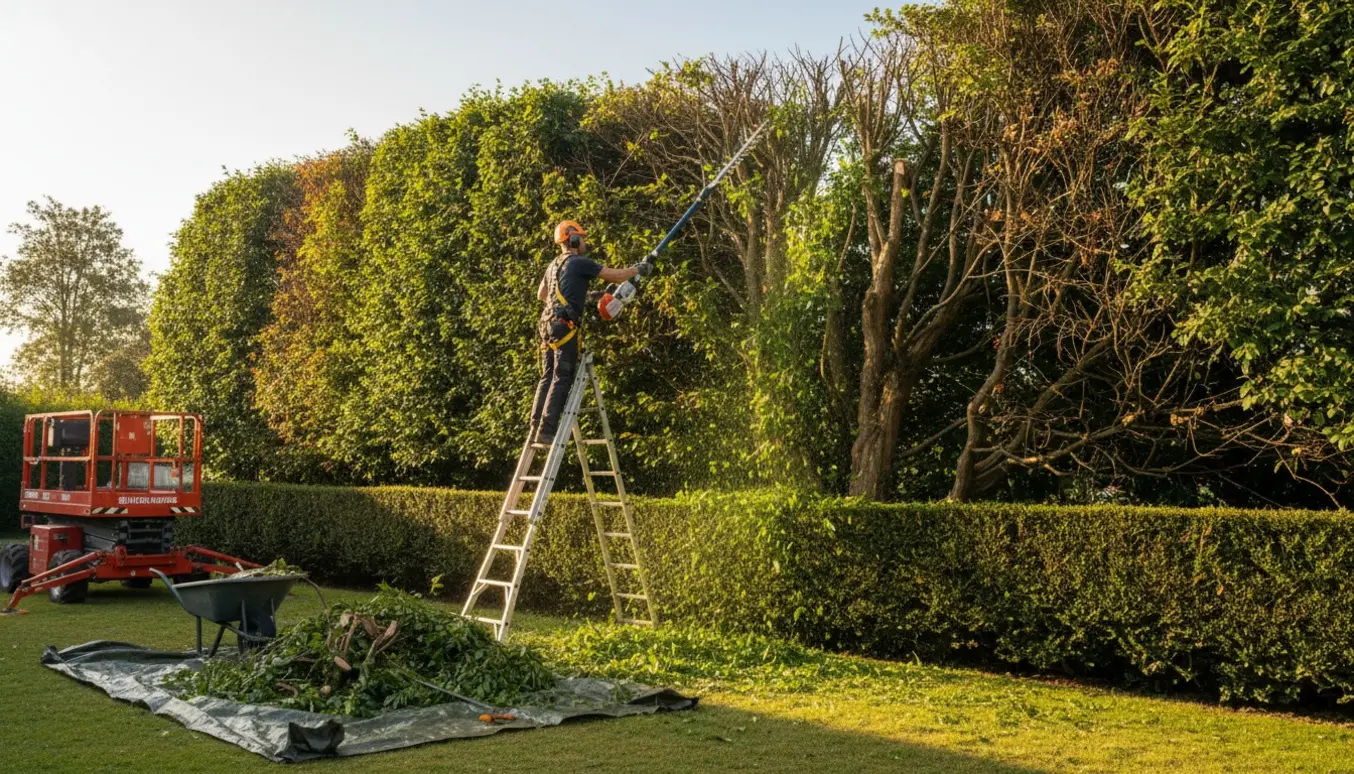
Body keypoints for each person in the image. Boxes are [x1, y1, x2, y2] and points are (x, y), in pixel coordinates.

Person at [530, 220, 651, 445]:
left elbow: (542, 295)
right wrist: (638, 269)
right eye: (582, 238)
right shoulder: (579, 262)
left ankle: (536, 424)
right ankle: (547, 432)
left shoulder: (554, 264)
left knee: (547, 376)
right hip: (564, 326)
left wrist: (583, 297)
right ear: (573, 240)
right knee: (561, 377)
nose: (584, 242)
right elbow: (615, 276)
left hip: (547, 325)